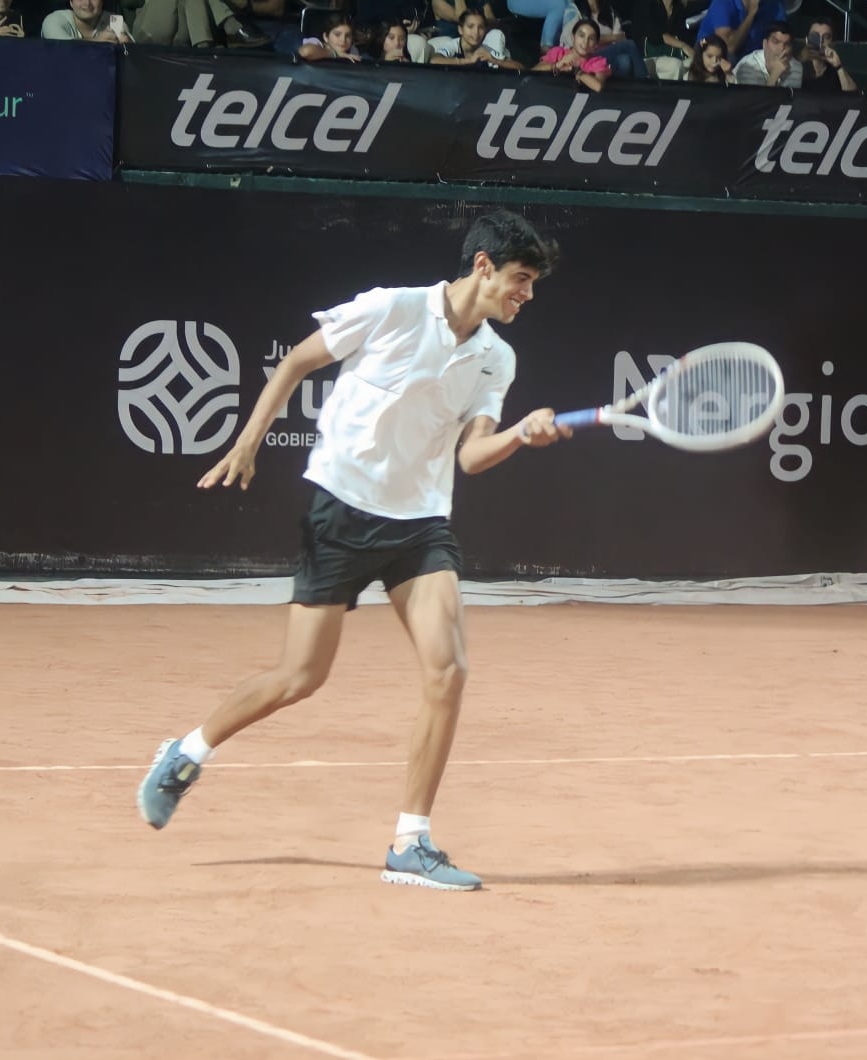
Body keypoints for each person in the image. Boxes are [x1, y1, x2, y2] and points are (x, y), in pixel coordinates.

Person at [136, 212, 571, 892]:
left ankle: (411, 842)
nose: (527, 295)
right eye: (520, 280)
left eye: (532, 285)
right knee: (300, 678)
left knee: (448, 670)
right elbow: (297, 362)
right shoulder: (392, 308)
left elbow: (473, 455)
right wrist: (249, 441)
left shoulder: (497, 357)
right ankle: (187, 751)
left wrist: (520, 433)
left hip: (420, 524)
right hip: (340, 509)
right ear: (482, 267)